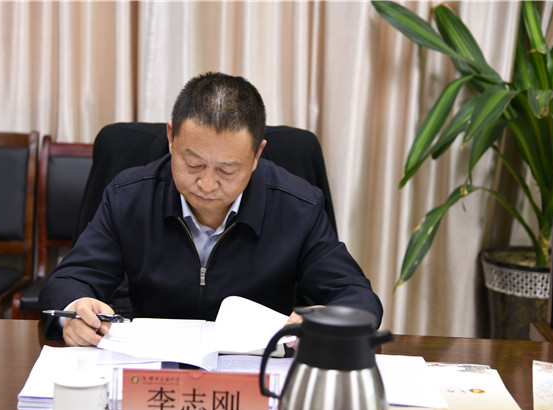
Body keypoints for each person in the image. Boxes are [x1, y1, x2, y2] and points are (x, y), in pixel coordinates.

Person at [39, 71, 382, 347]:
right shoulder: (129, 195)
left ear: (257, 155)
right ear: (171, 138)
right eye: (193, 164)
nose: (206, 184)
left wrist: (329, 320)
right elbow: (70, 279)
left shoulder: (298, 206)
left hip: (256, 370)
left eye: (227, 171)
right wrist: (75, 310)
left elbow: (357, 297)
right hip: (152, 364)